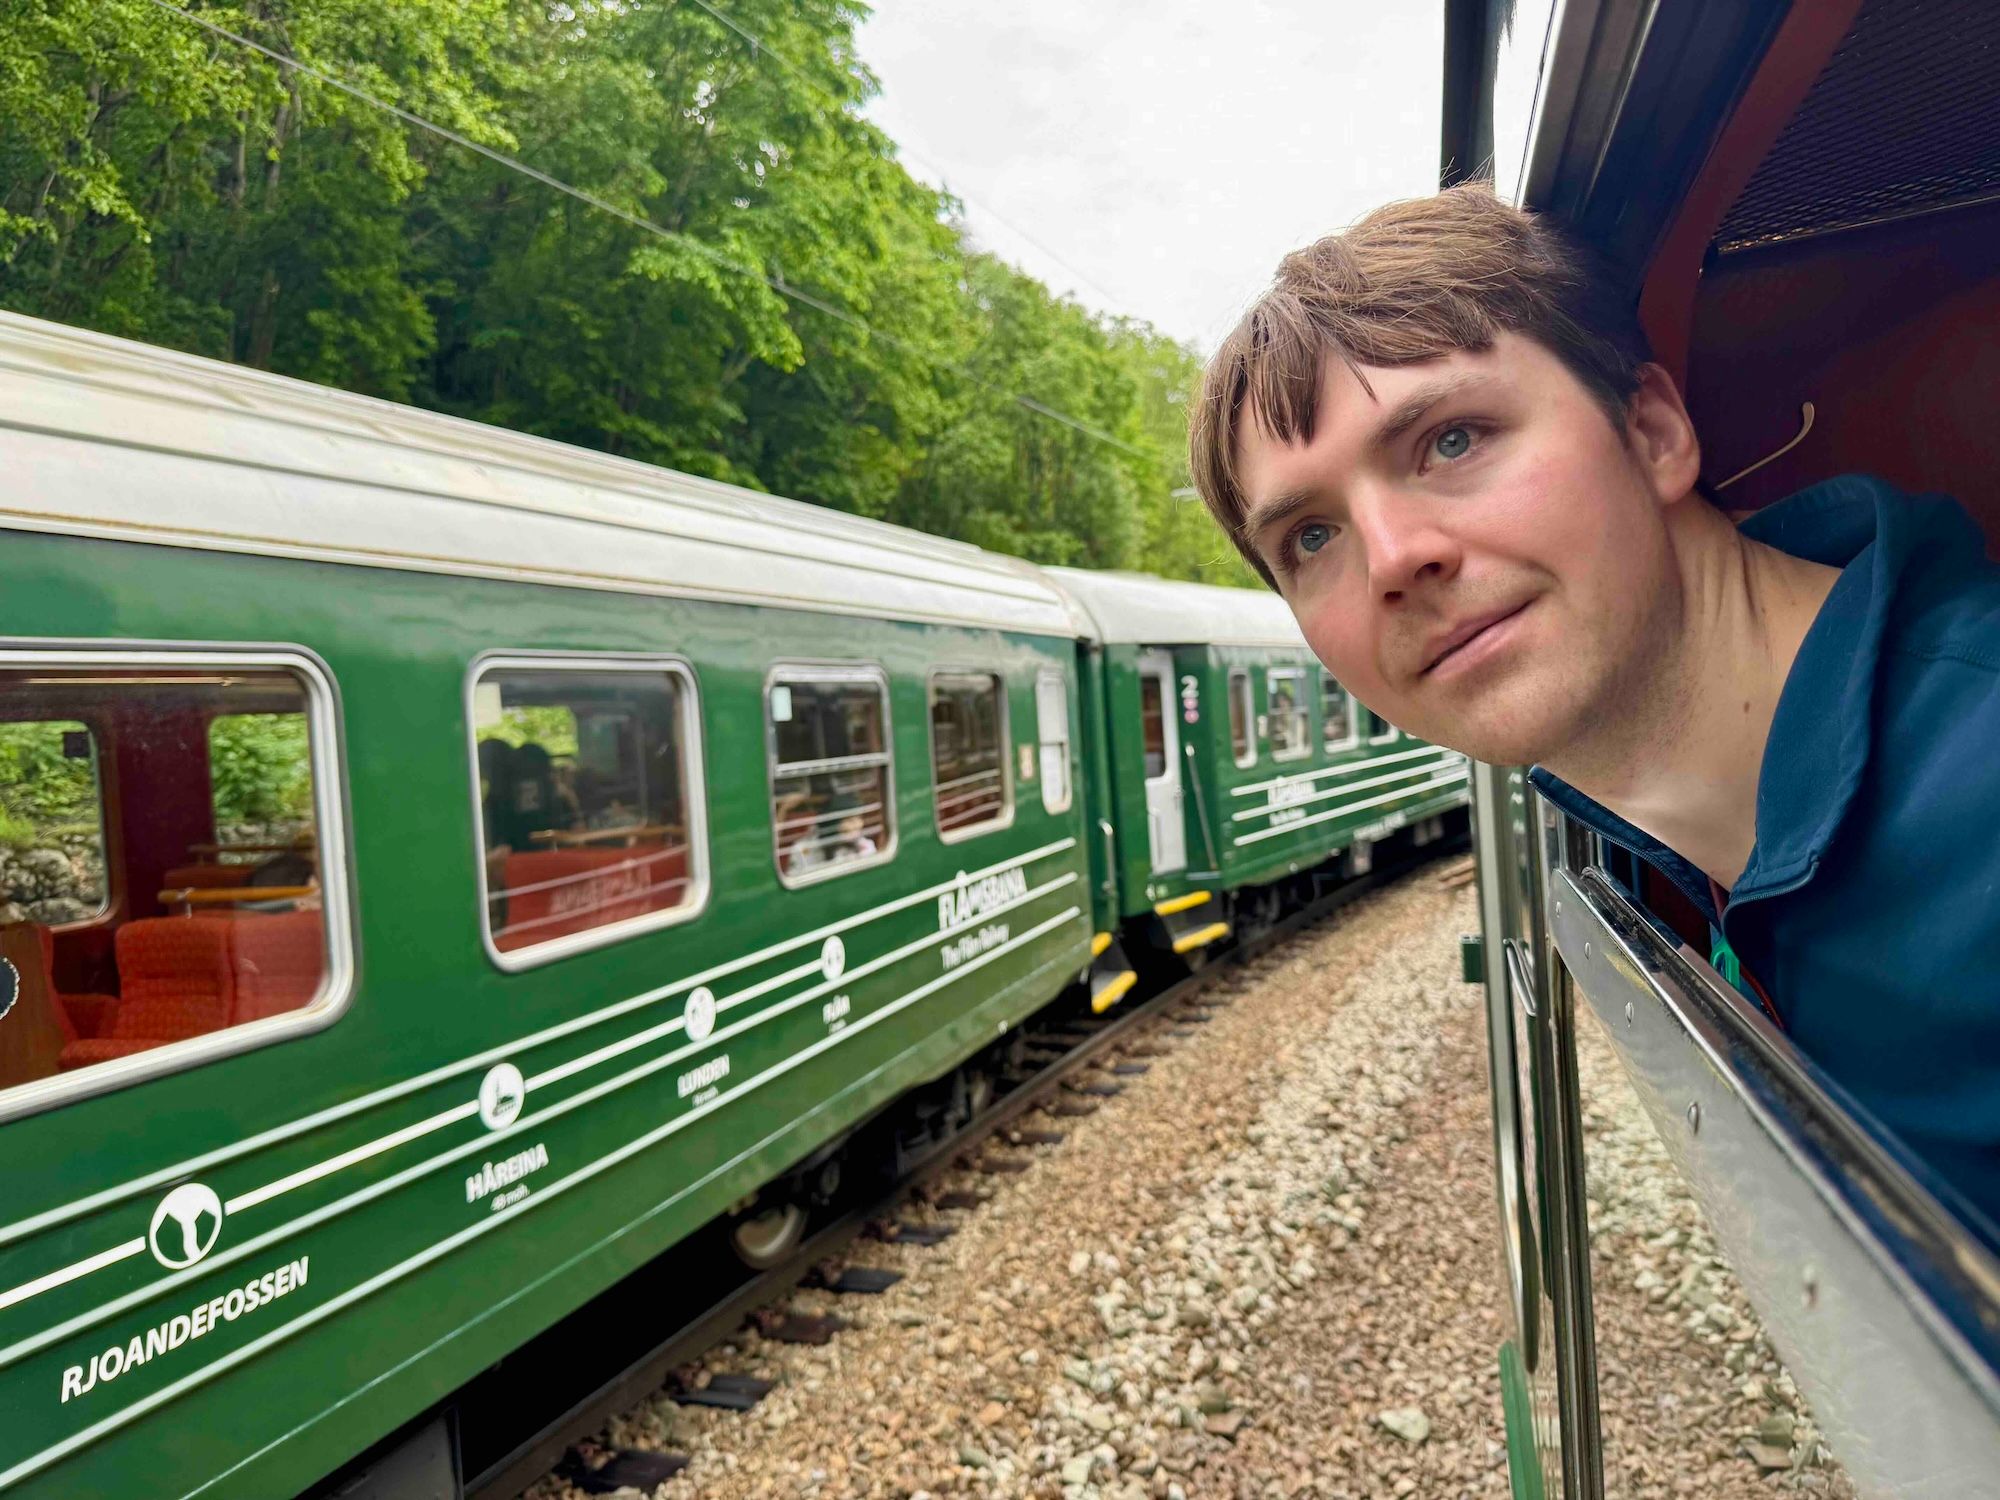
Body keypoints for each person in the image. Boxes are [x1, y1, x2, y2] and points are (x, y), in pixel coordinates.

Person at [1186, 184, 2000, 1234]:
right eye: (1308, 538)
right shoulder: (1647, 831)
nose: (1393, 559)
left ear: (1652, 433)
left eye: (1450, 441)